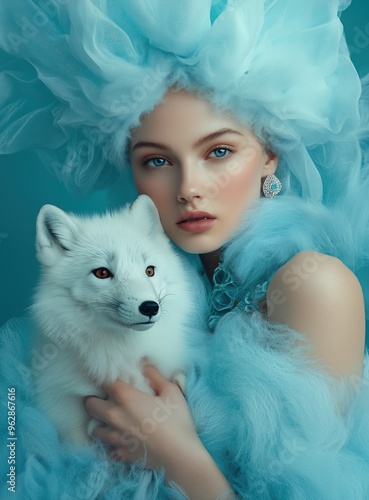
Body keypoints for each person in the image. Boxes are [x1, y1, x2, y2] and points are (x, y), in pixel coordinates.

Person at [0, 1, 369, 499]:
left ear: (270, 155)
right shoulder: (165, 285)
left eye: (218, 151)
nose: (188, 188)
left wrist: (176, 453)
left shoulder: (315, 287)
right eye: (156, 160)